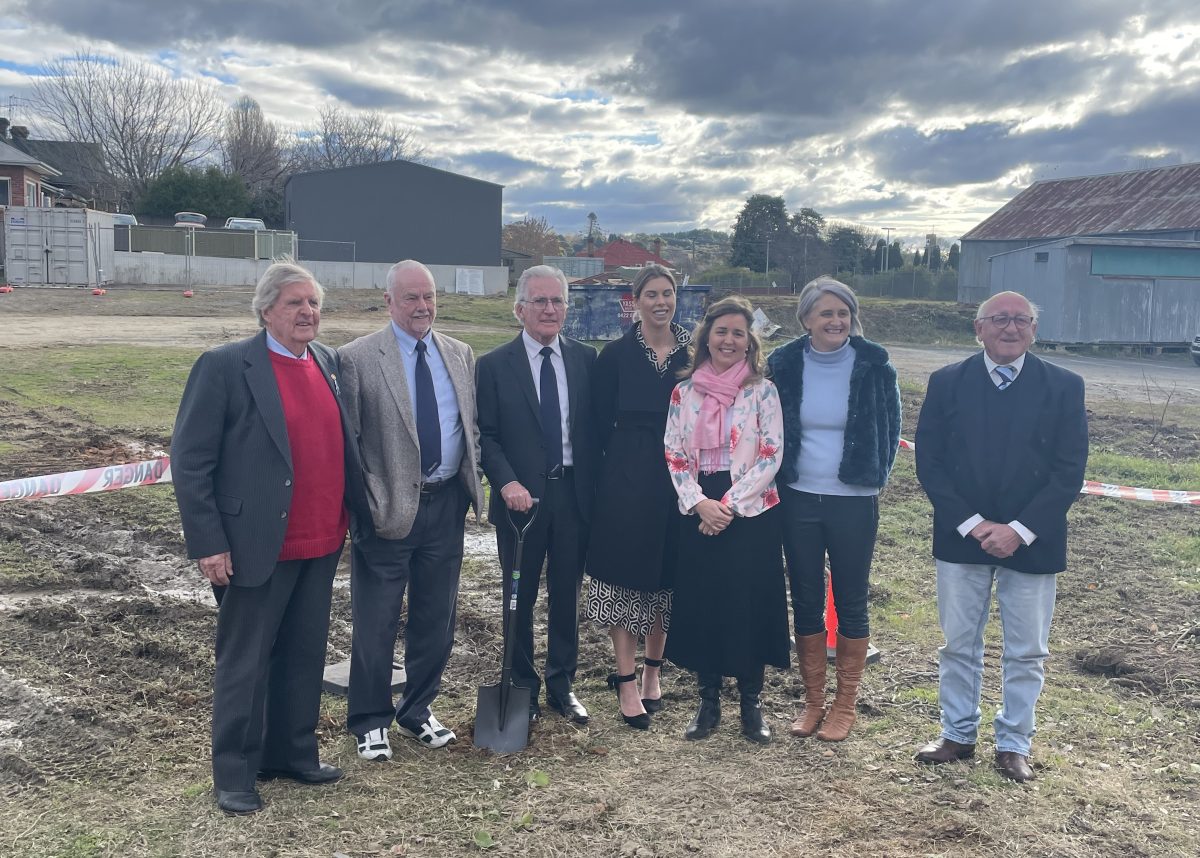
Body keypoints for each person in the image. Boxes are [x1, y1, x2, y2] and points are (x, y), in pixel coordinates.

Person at [172, 261, 367, 816]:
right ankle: (235, 771)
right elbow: (190, 460)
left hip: (322, 539)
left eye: (313, 304)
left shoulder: (327, 362)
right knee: (246, 661)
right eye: (294, 304)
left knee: (303, 655)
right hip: (256, 544)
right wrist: (208, 542)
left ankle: (292, 753)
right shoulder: (225, 366)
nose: (308, 313)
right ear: (265, 310)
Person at [914, 290, 1088, 782]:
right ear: (978, 328)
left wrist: (1019, 530)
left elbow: (1069, 470)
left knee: (1028, 649)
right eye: (999, 320)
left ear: (1034, 329)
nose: (1010, 329)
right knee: (958, 643)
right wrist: (972, 524)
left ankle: (1014, 743)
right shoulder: (947, 383)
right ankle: (957, 734)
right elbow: (930, 462)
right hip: (960, 538)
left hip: (1034, 541)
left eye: (1021, 320)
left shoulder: (1064, 386)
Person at [339, 260, 484, 760]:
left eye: (429, 297)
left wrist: (471, 484)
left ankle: (417, 709)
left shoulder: (461, 354)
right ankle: (369, 719)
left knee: (436, 617)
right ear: (389, 302)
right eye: (411, 298)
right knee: (376, 619)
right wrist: (366, 504)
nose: (422, 307)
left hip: (446, 507)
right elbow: (349, 443)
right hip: (388, 512)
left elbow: (470, 428)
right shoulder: (357, 358)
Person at [766, 276, 901, 742]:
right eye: (826, 313)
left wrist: (875, 475)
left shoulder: (875, 364)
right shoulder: (782, 363)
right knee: (804, 595)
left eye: (843, 313)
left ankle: (845, 705)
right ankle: (813, 702)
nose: (836, 321)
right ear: (806, 319)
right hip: (798, 496)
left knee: (851, 599)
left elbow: (892, 424)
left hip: (854, 501)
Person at [663, 295, 790, 744]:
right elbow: (675, 453)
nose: (729, 340)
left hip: (749, 508)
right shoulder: (684, 392)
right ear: (707, 338)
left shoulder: (762, 391)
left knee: (747, 601)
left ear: (749, 341)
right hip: (699, 506)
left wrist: (729, 505)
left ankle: (751, 703)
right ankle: (708, 699)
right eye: (722, 331)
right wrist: (699, 502)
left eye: (739, 332)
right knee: (705, 601)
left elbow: (771, 453)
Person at [476, 264, 598, 724]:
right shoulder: (492, 365)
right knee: (518, 596)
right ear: (519, 309)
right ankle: (522, 685)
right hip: (519, 504)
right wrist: (506, 482)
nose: (550, 309)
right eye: (540, 301)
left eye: (558, 301)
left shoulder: (586, 360)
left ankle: (561, 685)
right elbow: (485, 435)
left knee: (566, 594)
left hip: (572, 497)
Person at [585, 264, 691, 729]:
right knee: (626, 580)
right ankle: (625, 681)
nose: (660, 302)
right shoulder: (614, 356)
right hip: (626, 480)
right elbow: (593, 429)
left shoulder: (694, 354)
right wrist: (596, 489)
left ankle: (653, 674)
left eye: (667, 293)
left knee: (665, 580)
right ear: (636, 301)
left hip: (680, 479)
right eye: (651, 294)